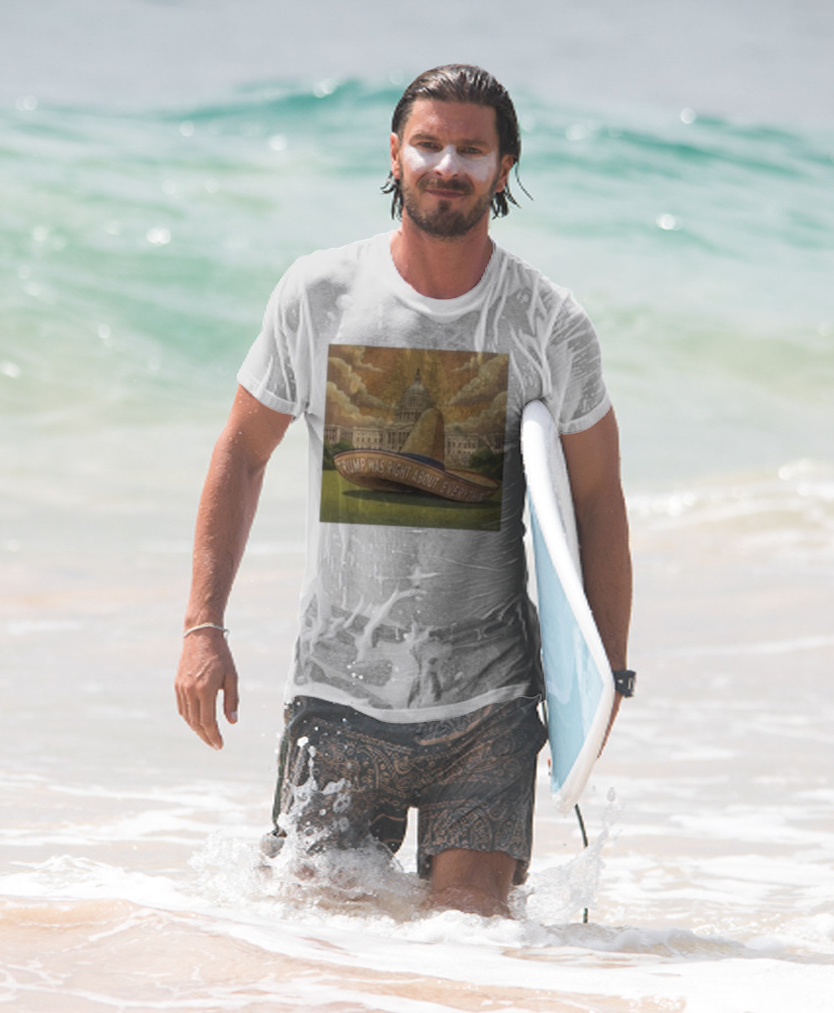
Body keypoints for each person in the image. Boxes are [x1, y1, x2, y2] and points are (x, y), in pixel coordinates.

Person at [175, 64, 632, 918]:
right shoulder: (319, 294)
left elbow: (598, 501)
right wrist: (204, 626)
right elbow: (240, 453)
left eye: (471, 149)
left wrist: (608, 679)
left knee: (469, 940)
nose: (446, 165)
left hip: (489, 706)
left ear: (504, 165)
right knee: (318, 942)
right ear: (395, 154)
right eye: (428, 144)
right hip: (339, 699)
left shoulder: (547, 321)